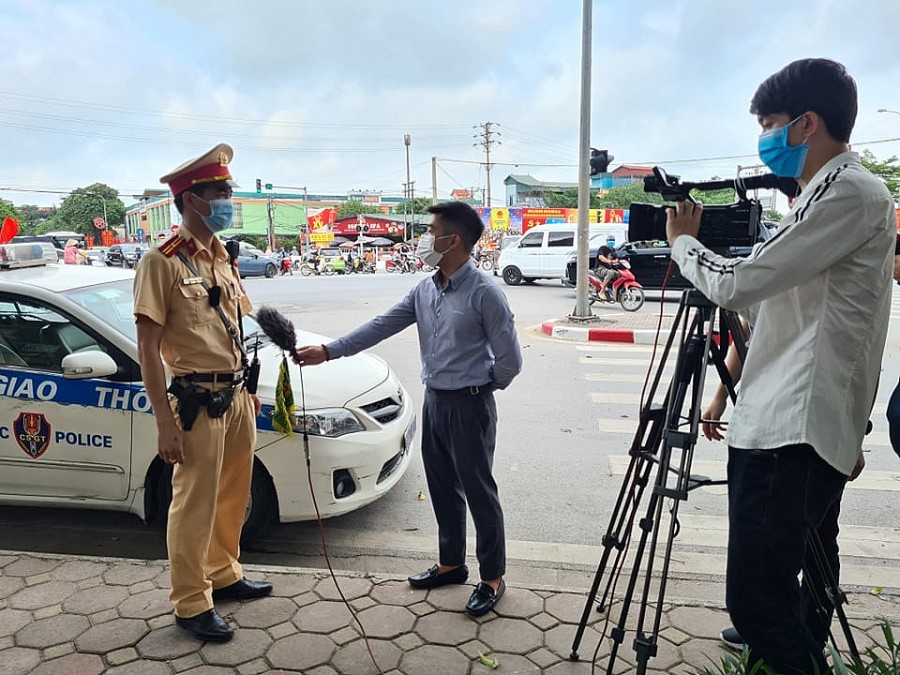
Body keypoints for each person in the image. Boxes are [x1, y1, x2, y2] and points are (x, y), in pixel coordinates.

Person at [665, 59, 895, 674]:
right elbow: (777, 313)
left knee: (758, 602)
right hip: (783, 420)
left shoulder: (851, 192)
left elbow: (739, 284)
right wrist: (724, 390)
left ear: (807, 123)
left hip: (791, 430)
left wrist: (684, 242)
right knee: (784, 583)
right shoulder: (814, 199)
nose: (764, 140)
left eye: (769, 125)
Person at [294, 201, 522, 617]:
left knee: (478, 492)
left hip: (470, 407)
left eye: (431, 229)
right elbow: (382, 325)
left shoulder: (485, 293)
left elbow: (510, 362)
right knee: (442, 487)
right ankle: (451, 564)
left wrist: (481, 386)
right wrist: (328, 351)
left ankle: (492, 577)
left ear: (452, 240)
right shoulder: (426, 288)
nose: (425, 237)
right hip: (434, 401)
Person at [133, 143, 271, 644]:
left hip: (234, 398)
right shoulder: (161, 261)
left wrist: (247, 390)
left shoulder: (221, 256)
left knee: (234, 493)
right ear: (192, 200)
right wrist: (163, 422)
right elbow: (148, 349)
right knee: (193, 503)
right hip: (193, 403)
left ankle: (224, 572)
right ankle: (191, 601)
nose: (229, 200)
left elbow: (235, 325)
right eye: (222, 192)